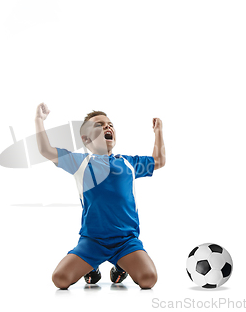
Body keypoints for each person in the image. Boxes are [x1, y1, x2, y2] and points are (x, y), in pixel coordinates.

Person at [34, 102, 165, 289]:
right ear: (86, 139)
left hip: (125, 241)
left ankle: (121, 267)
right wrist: (39, 120)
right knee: (60, 279)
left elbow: (159, 161)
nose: (107, 126)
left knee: (148, 280)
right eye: (99, 125)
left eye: (110, 124)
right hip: (92, 241)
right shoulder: (79, 163)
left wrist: (158, 131)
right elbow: (45, 150)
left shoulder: (128, 163)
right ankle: (91, 267)